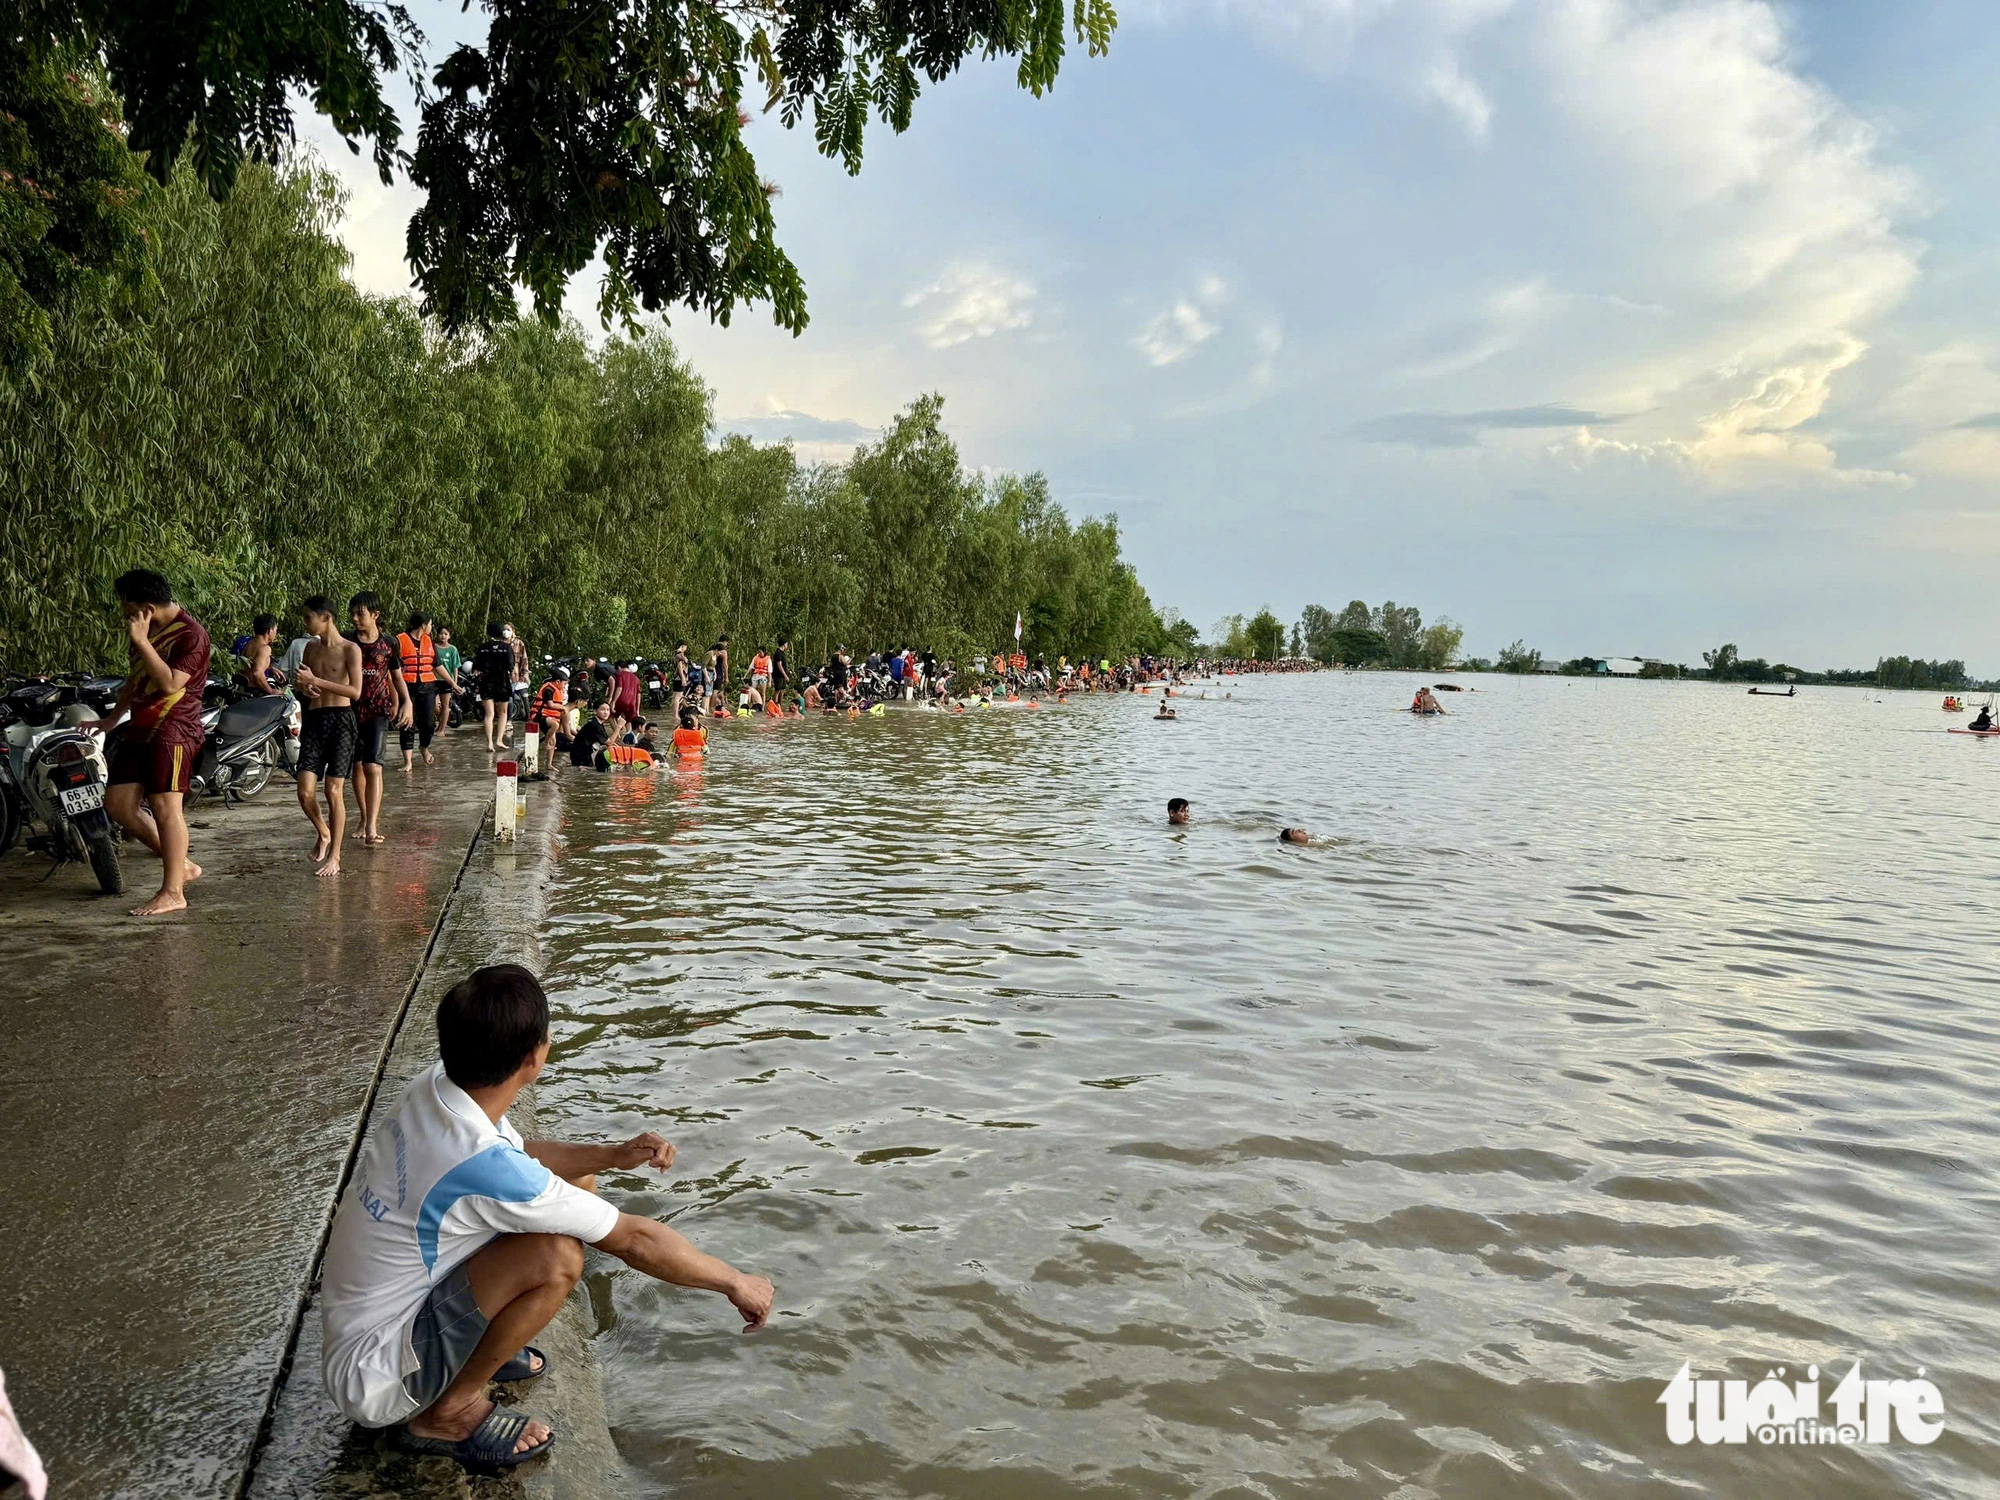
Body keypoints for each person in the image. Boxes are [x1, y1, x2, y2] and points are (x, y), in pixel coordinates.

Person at [320, 965, 773, 1468]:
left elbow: (517, 1157)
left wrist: (611, 1155)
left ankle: (474, 1353)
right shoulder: (484, 1165)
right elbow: (634, 1240)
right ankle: (448, 1411)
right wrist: (736, 1281)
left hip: (371, 1328)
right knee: (556, 1256)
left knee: (573, 1190)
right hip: (379, 1378)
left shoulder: (437, 1090)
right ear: (536, 1057)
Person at [82, 569, 210, 917]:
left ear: (147, 607)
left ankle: (173, 892)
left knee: (167, 807)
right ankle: (181, 865)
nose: (126, 617)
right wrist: (111, 720)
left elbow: (170, 684)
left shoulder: (191, 635)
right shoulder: (145, 630)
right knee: (118, 805)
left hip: (175, 729)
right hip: (140, 728)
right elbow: (135, 679)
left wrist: (141, 641)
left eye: (128, 610)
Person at [291, 596, 362, 878]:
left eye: (309, 617)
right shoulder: (310, 648)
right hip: (314, 720)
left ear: (326, 617)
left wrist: (316, 682)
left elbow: (355, 691)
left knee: (333, 791)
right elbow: (303, 684)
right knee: (304, 791)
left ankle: (335, 856)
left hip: (342, 721)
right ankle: (324, 831)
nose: (305, 623)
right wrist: (306, 688)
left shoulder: (350, 649)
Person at [349, 593, 411, 848]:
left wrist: (406, 702)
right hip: (349, 709)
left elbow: (396, 677)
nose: (355, 619)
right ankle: (364, 818)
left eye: (360, 614)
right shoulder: (346, 640)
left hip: (378, 709)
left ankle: (372, 825)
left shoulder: (389, 643)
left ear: (375, 615)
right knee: (357, 767)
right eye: (352, 613)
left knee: (373, 766)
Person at [397, 613, 443, 770]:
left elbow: (437, 664)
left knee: (429, 724)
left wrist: (452, 683)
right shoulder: (400, 640)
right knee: (407, 723)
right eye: (430, 624)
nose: (431, 627)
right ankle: (408, 762)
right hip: (406, 686)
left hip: (427, 686)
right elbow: (393, 668)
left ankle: (424, 747)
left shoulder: (429, 641)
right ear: (423, 625)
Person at [473, 624, 515, 754]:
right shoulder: (506, 648)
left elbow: (477, 667)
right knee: (502, 713)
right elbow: (511, 666)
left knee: (489, 714)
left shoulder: (482, 648)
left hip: (486, 683)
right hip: (502, 683)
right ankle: (499, 740)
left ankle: (490, 743)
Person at [236, 614, 283, 695]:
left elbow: (251, 667)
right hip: (255, 691)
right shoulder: (264, 648)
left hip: (242, 689)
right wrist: (271, 691)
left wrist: (270, 670)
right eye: (276, 629)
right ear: (270, 630)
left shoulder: (247, 642)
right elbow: (257, 673)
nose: (276, 633)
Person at [568, 702, 613, 769]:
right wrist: (618, 727)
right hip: (581, 756)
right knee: (605, 755)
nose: (606, 712)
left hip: (582, 754)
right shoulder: (594, 725)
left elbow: (608, 741)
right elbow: (609, 742)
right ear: (595, 711)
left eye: (608, 710)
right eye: (603, 709)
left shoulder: (598, 724)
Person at [434, 625, 462, 725]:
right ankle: (442, 719)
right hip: (433, 679)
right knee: (433, 704)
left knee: (445, 705)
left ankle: (442, 729)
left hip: (447, 680)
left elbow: (455, 667)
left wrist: (454, 682)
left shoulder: (453, 649)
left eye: (446, 634)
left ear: (449, 636)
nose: (443, 636)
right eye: (441, 633)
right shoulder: (433, 647)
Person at [611, 661, 642, 727]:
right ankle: (629, 735)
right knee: (630, 721)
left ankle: (617, 735)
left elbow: (619, 688)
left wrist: (613, 702)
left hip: (622, 700)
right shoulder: (636, 678)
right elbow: (638, 695)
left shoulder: (620, 675)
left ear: (619, 667)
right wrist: (637, 710)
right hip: (632, 703)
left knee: (611, 717)